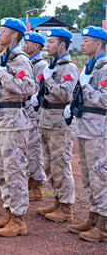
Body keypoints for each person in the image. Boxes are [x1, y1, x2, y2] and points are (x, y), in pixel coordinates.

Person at [0, 17, 36, 237]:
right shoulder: (5, 57)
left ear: (14, 35)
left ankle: (19, 219)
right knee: (2, 170)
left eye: (2, 31)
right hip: (0, 118)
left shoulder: (20, 60)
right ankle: (8, 212)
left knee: (14, 170)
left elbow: (27, 87)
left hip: (13, 121)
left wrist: (2, 74)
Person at [65, 26, 107, 242]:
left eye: (87, 40)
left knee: (100, 176)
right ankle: (93, 217)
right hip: (86, 127)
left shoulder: (105, 67)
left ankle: (104, 226)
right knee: (89, 177)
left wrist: (86, 86)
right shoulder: (90, 66)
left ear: (98, 44)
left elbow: (105, 99)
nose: (82, 43)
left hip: (99, 129)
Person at [33, 28, 78, 223]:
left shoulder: (68, 68)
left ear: (62, 45)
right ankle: (58, 201)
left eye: (51, 41)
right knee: (50, 165)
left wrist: (48, 78)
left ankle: (66, 207)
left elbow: (65, 94)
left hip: (59, 122)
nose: (47, 45)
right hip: (46, 119)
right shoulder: (52, 65)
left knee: (61, 164)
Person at [21, 31, 48, 202]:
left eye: (28, 43)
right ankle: (30, 180)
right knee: (27, 147)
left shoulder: (41, 65)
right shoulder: (29, 62)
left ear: (37, 46)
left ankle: (37, 184)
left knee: (34, 148)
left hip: (35, 113)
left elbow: (40, 88)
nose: (25, 45)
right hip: (26, 111)